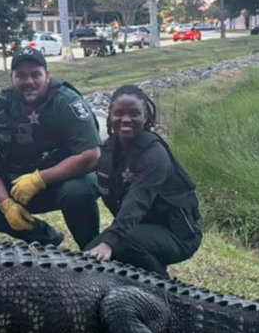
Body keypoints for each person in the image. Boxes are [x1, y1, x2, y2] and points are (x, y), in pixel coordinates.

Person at [0, 48, 101, 248]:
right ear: (12, 78)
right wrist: (6, 204)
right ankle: (47, 238)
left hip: (68, 179)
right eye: (21, 75)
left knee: (77, 191)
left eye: (35, 74)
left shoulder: (66, 101)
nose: (29, 81)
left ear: (47, 76)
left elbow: (91, 156)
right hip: (20, 185)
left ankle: (92, 249)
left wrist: (40, 179)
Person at [84, 85, 202, 276]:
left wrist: (109, 242)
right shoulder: (110, 148)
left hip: (178, 235)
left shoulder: (155, 154)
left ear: (145, 117)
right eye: (119, 113)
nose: (126, 119)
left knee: (122, 245)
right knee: (90, 251)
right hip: (140, 228)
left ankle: (165, 291)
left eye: (134, 113)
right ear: (110, 116)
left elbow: (138, 200)